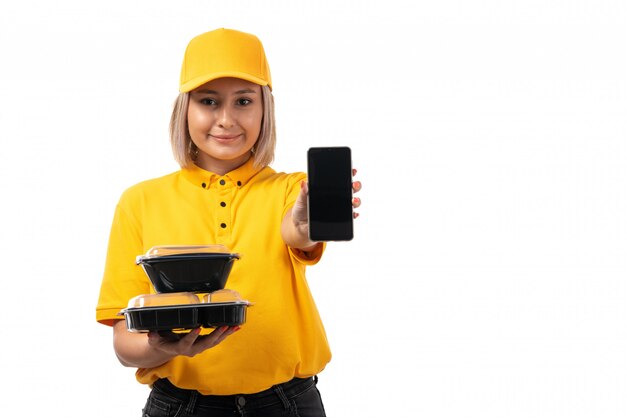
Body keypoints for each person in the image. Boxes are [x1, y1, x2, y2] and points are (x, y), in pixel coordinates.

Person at [96, 28, 361, 417]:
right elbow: (124, 342)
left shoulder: (290, 190)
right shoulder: (139, 201)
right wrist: (162, 346)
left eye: (243, 101)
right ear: (185, 108)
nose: (226, 119)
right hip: (182, 406)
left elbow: (295, 230)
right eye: (208, 101)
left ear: (264, 108)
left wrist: (304, 224)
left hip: (289, 404)